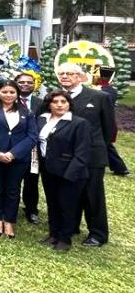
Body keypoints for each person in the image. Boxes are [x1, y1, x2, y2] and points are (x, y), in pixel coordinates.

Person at [57, 62, 114, 247]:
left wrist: (95, 146)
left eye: (69, 73)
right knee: (70, 191)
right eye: (61, 73)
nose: (64, 76)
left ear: (80, 76)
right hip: (65, 155)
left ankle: (98, 233)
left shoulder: (99, 97)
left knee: (92, 195)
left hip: (92, 155)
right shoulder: (56, 97)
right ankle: (71, 225)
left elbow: (109, 129)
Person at [0, 81, 37, 238]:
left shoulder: (27, 112)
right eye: (4, 92)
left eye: (12, 92)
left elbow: (32, 136)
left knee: (13, 189)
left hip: (18, 159)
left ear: (17, 94)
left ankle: (10, 220)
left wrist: (13, 153)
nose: (8, 95)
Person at [38, 90, 92, 251]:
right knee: (52, 203)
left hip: (69, 172)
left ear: (69, 104)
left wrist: (70, 174)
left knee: (67, 206)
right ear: (49, 104)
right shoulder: (42, 119)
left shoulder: (79, 123)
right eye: (55, 102)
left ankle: (65, 238)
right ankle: (53, 234)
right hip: (48, 169)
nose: (60, 105)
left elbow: (82, 152)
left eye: (63, 101)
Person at [16, 72, 44, 224]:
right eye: (21, 82)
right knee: (12, 180)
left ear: (34, 85)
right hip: (13, 148)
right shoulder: (9, 99)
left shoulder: (42, 103)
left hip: (34, 150)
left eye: (29, 82)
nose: (26, 85)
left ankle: (31, 209)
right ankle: (10, 207)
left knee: (32, 181)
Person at [97, 66, 130, 176]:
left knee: (106, 145)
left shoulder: (102, 90)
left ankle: (120, 167)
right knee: (106, 145)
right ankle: (120, 167)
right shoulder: (110, 90)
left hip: (102, 120)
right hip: (105, 120)